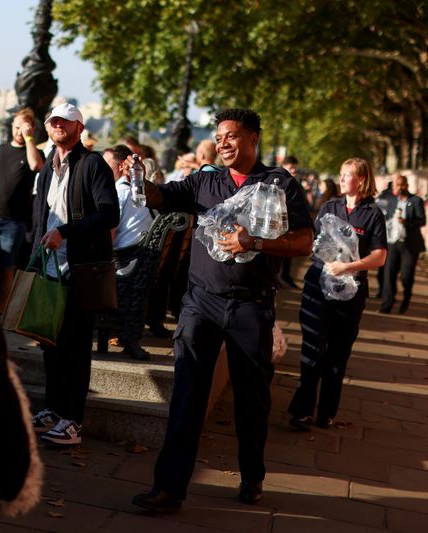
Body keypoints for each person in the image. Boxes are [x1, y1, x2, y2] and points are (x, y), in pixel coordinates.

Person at [132, 108, 313, 512]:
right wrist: (138, 180)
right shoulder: (205, 180)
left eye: (231, 136)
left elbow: (304, 242)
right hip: (201, 302)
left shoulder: (279, 184)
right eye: (218, 136)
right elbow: (160, 197)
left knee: (252, 398)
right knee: (186, 394)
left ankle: (252, 476)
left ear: (253, 137)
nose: (223, 143)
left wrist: (257, 243)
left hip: (251, 307)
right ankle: (169, 488)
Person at [30, 103, 119, 445]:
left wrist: (66, 231)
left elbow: (109, 215)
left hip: (80, 269)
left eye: (65, 122)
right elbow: (39, 218)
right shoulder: (47, 169)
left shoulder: (92, 164)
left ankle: (72, 420)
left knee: (75, 346)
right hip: (50, 266)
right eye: (53, 122)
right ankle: (53, 409)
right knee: (50, 343)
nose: (58, 127)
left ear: (80, 128)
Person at [288, 158, 386, 430]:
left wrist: (349, 266)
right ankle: (302, 411)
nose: (341, 180)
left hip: (351, 293)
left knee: (338, 353)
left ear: (362, 181)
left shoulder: (372, 214)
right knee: (312, 349)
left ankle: (326, 412)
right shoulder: (330, 207)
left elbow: (379, 256)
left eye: (347, 176)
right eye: (341, 175)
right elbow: (314, 242)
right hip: (318, 287)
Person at [0, 108, 44, 311]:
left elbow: (36, 165)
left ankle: (1, 313)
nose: (19, 131)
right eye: (17, 126)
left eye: (24, 127)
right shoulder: (1, 149)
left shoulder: (35, 152)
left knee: (7, 269)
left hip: (13, 221)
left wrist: (30, 138)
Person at [103, 144, 153, 359]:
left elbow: (110, 235)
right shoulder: (139, 192)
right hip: (141, 261)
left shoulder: (120, 192)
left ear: (122, 165)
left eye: (106, 165)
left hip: (123, 264)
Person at [378, 174, 425, 314]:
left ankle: (406, 298)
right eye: (395, 185)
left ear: (406, 185)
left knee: (406, 275)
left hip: (409, 245)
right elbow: (384, 215)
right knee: (389, 274)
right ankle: (387, 303)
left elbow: (422, 221)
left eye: (400, 185)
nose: (398, 188)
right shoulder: (391, 201)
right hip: (392, 242)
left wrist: (407, 222)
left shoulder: (415, 201)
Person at [279, 155, 300, 288]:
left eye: (295, 168)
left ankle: (285, 275)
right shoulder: (277, 181)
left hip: (290, 223)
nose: (294, 171)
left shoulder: (293, 183)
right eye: (291, 168)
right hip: (278, 224)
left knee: (288, 251)